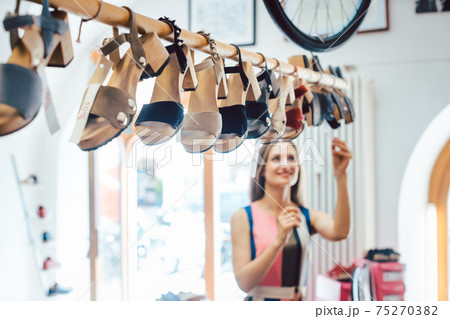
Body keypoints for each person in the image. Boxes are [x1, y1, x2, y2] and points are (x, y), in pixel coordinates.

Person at [231, 138, 353, 301]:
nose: (286, 165)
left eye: (291, 158)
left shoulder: (307, 216)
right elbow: (244, 283)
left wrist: (340, 175)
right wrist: (279, 241)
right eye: (276, 158)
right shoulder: (243, 217)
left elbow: (340, 232)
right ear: (262, 170)